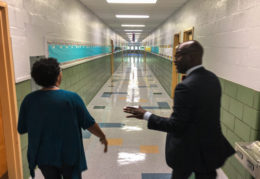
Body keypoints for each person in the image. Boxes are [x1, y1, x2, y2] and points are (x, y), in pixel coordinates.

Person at [123, 40, 235, 179]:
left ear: (192, 57)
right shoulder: (212, 78)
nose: (174, 60)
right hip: (210, 148)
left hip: (188, 150)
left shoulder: (185, 87)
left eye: (178, 55)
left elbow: (176, 125)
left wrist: (146, 115)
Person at [18, 58, 108, 179]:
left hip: (43, 156)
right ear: (58, 76)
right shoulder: (71, 98)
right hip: (69, 155)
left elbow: (22, 129)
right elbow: (89, 124)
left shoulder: (28, 100)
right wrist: (102, 136)